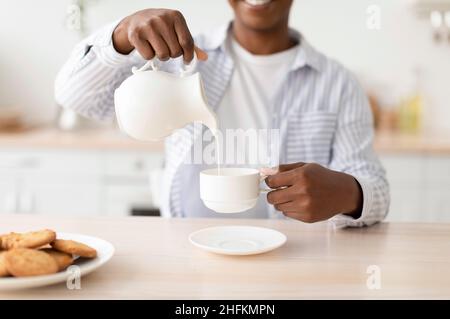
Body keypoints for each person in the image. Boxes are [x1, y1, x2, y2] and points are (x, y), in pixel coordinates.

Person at [55, 0, 389, 227]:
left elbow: (376, 188)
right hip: (185, 255)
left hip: (293, 261)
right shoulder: (179, 56)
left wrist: (348, 192)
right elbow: (75, 95)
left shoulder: (338, 83)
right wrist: (122, 34)